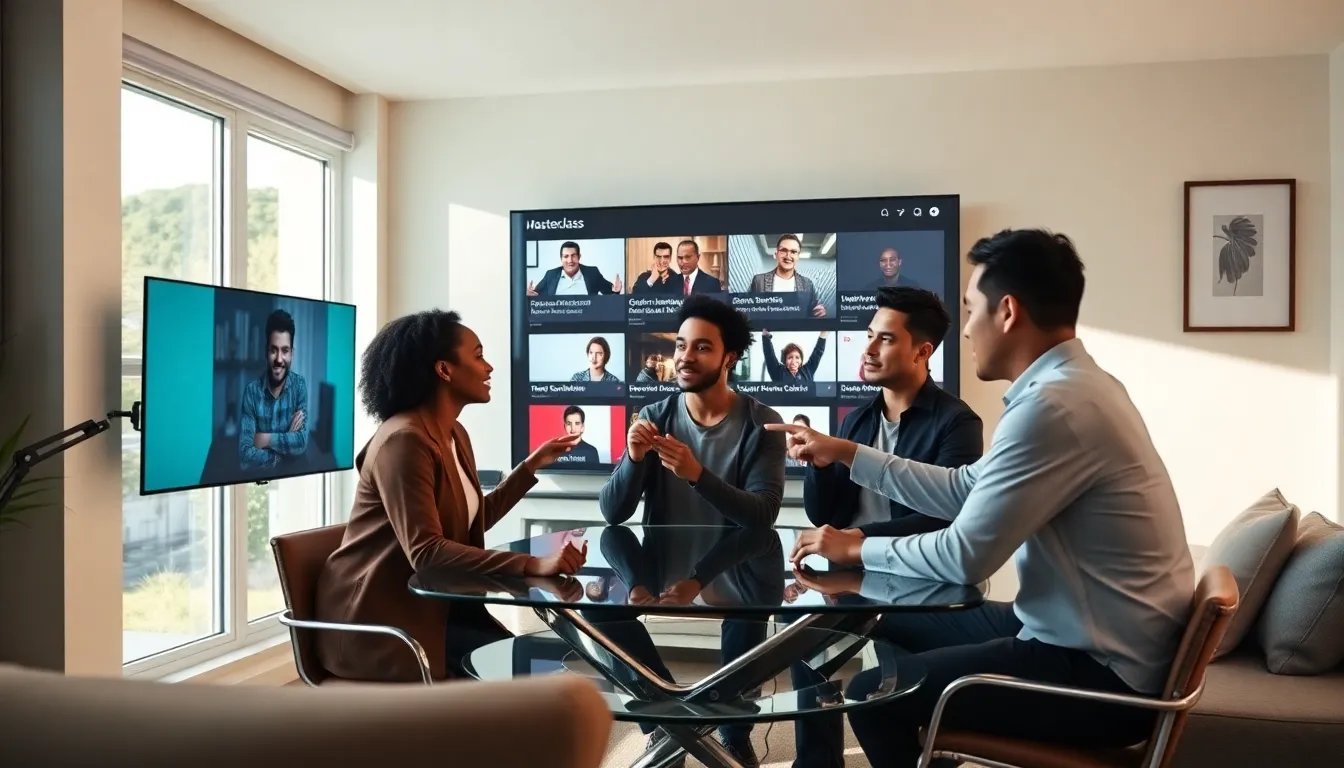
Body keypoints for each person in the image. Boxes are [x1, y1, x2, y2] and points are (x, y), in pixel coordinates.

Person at [770, 229, 1194, 765]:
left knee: (871, 696)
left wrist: (854, 546)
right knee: (866, 616)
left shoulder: (1055, 407)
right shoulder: (1077, 386)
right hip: (1076, 633)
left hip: (1097, 672)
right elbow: (963, 488)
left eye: (971, 310)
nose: (966, 329)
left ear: (1008, 312)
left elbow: (965, 554)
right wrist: (850, 453)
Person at [313, 309, 587, 683]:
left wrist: (530, 467)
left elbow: (468, 523)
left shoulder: (453, 433)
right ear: (444, 370)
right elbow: (427, 552)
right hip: (385, 623)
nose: (489, 367)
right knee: (536, 683)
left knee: (550, 673)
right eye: (478, 355)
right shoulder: (404, 441)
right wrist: (529, 564)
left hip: (437, 611)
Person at [789, 287, 984, 768]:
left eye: (885, 340)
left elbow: (947, 518)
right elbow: (824, 514)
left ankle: (929, 753)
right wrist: (815, 463)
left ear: (923, 350)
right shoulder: (856, 421)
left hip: (924, 581)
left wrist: (856, 543)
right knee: (799, 639)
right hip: (854, 577)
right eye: (868, 337)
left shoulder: (957, 423)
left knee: (892, 690)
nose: (869, 349)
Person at [599, 294, 786, 766]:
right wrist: (634, 459)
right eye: (681, 345)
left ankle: (731, 729)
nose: (685, 356)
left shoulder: (762, 422)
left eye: (701, 347)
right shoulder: (656, 415)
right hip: (664, 561)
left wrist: (696, 474)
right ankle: (668, 718)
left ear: (730, 358)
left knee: (746, 622)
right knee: (600, 617)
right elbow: (612, 513)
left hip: (739, 563)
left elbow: (762, 516)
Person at [239, 309, 308, 470]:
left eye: (285, 351)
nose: (278, 359)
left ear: (292, 353)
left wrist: (264, 439)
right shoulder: (251, 392)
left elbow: (302, 442)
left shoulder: (299, 386)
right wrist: (283, 450)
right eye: (273, 350)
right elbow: (244, 453)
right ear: (266, 351)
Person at [748, 234, 826, 317]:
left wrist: (819, 312)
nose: (788, 256)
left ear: (798, 257)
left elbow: (814, 311)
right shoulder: (759, 281)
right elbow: (749, 309)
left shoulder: (807, 284)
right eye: (784, 250)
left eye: (793, 252)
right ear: (776, 254)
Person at [527, 241, 623, 295]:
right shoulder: (551, 275)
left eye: (573, 256)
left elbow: (610, 293)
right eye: (566, 256)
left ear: (579, 257)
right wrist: (530, 295)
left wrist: (616, 290)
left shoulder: (592, 273)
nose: (570, 261)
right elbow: (536, 296)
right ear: (561, 258)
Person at [761, 330, 828, 383]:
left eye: (797, 357)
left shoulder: (808, 370)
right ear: (785, 360)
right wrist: (765, 336)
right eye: (790, 357)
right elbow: (769, 355)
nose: (794, 361)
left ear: (801, 360)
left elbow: (818, 352)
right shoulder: (778, 372)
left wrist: (824, 332)